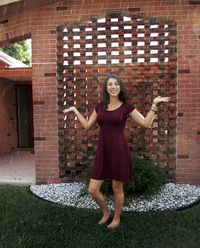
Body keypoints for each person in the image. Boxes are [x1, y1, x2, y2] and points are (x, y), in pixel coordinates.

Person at [63, 73, 170, 229]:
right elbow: (87, 125)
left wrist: (154, 104)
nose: (113, 86)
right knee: (93, 190)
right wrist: (75, 110)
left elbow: (146, 123)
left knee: (116, 187)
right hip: (103, 150)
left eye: (116, 84)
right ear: (106, 88)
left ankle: (117, 217)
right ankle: (106, 213)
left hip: (119, 150)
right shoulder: (100, 107)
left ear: (120, 87)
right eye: (110, 84)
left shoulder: (127, 107)